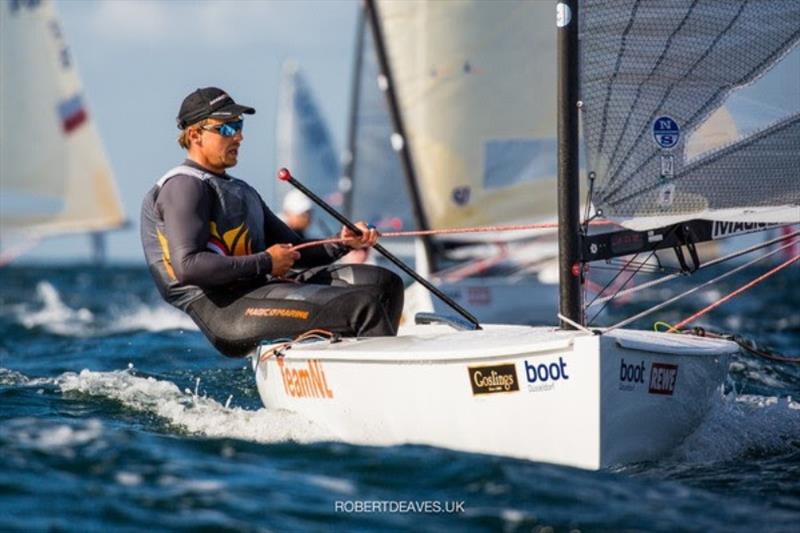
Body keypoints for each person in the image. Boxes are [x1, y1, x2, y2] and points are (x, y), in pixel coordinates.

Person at [140, 87, 403, 357]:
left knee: (384, 283)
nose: (239, 136)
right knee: (363, 305)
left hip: (262, 289)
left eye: (239, 125)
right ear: (195, 135)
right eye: (227, 128)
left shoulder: (240, 190)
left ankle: (345, 366)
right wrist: (266, 261)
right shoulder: (183, 187)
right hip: (226, 310)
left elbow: (296, 251)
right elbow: (188, 267)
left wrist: (343, 242)